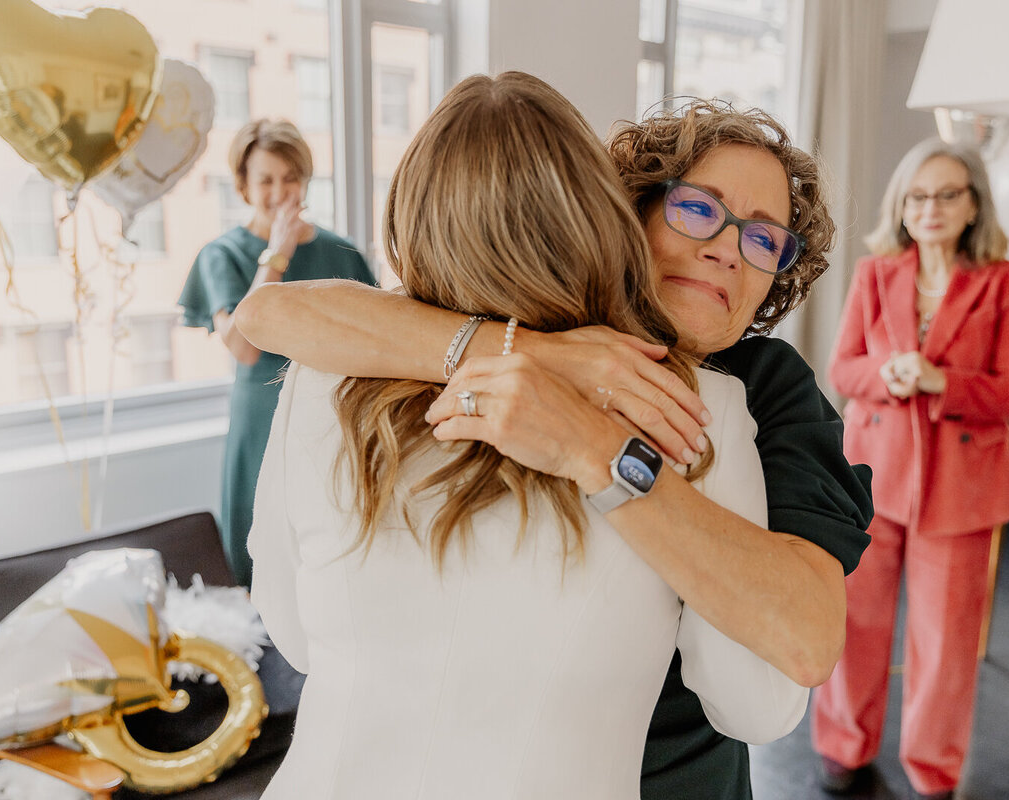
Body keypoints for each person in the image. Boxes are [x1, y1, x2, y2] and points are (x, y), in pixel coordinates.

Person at [236, 97, 873, 799]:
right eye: (700, 208)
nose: (729, 245)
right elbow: (270, 313)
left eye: (764, 238)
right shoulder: (481, 337)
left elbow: (792, 660)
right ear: (623, 210)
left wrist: (604, 452)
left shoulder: (752, 397)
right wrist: (537, 354)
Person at [812, 138, 1009, 800]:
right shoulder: (874, 273)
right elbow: (843, 369)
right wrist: (886, 376)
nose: (931, 208)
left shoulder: (1007, 281)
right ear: (901, 205)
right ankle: (843, 743)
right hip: (873, 476)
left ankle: (934, 768)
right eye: (918, 195)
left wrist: (944, 379)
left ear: (973, 205)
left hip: (964, 487)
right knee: (856, 621)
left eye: (947, 194)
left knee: (944, 643)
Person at [177, 118, 376, 588]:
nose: (279, 191)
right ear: (244, 186)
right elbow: (244, 347)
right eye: (265, 179)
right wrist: (278, 253)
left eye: (290, 177)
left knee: (331, 558)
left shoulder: (342, 253)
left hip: (332, 422)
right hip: (261, 422)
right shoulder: (222, 254)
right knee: (263, 561)